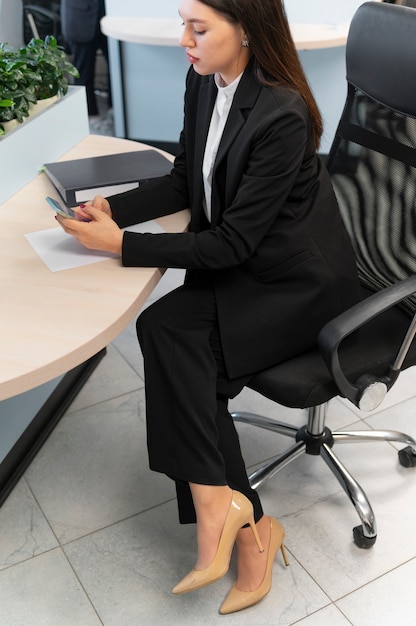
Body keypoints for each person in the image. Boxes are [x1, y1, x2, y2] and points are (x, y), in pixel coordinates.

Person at [56, 0, 361, 614]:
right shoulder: (205, 83)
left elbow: (233, 243)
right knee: (174, 341)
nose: (183, 42)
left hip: (294, 283)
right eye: (183, 26)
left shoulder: (282, 113)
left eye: (198, 28)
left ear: (246, 28)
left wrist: (120, 246)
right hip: (247, 264)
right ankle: (236, 520)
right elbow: (183, 182)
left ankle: (224, 516)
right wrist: (117, 211)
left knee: (175, 344)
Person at [60, 0, 109, 116]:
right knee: (84, 72)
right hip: (80, 16)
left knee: (118, 67)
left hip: (111, 16)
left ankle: (116, 111)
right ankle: (90, 117)